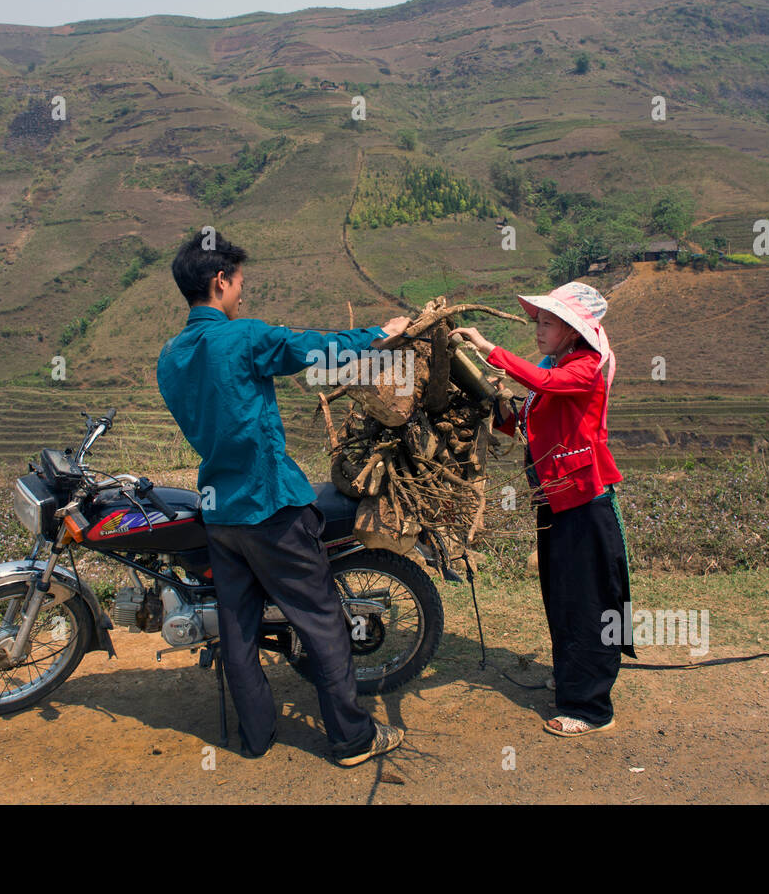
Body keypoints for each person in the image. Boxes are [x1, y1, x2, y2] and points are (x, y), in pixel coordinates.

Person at [156, 229, 410, 766]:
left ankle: (256, 737)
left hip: (219, 513)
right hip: (270, 506)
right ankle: (352, 738)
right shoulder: (243, 337)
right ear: (220, 280)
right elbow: (314, 350)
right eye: (239, 283)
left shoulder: (170, 357)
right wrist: (379, 335)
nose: (242, 294)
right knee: (321, 622)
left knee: (238, 629)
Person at [451, 280, 636, 737]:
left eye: (548, 322)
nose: (539, 329)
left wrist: (486, 347)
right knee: (561, 596)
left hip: (584, 501)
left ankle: (591, 708)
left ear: (573, 330)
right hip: (554, 499)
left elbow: (544, 383)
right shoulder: (554, 363)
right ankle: (572, 677)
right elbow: (522, 422)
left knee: (588, 602)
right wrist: (489, 401)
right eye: (539, 320)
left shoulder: (585, 368)